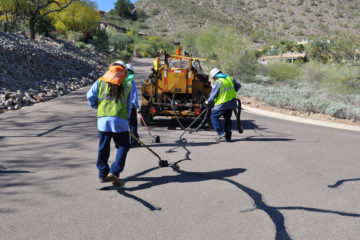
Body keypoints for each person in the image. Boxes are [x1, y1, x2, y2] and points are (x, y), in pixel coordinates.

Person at [87, 60, 136, 186]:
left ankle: (102, 174)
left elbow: (90, 95)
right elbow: (129, 105)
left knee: (103, 147)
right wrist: (128, 119)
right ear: (124, 71)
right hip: (120, 119)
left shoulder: (100, 81)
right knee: (123, 146)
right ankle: (114, 172)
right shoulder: (127, 84)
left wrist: (94, 105)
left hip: (103, 119)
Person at [206, 68, 241, 142]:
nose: (213, 79)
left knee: (213, 117)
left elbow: (213, 94)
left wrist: (209, 101)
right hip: (231, 103)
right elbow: (238, 85)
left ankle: (221, 133)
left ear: (216, 75)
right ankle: (228, 136)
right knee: (227, 119)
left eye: (213, 77)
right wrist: (233, 91)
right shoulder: (230, 78)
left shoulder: (218, 82)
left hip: (222, 104)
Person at [125, 63, 141, 148]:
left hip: (122, 107)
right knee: (133, 125)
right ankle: (134, 141)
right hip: (131, 107)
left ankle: (124, 142)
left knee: (124, 125)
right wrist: (136, 106)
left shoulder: (120, 81)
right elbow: (135, 95)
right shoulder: (131, 82)